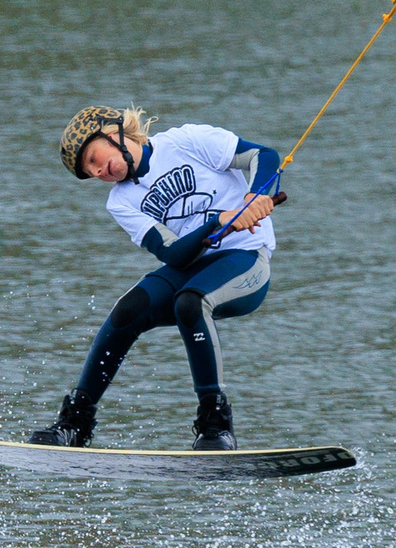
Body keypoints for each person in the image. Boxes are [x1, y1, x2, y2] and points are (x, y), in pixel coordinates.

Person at [30, 106, 283, 451]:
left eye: (93, 157)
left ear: (112, 131)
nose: (97, 172)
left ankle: (215, 425)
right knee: (128, 310)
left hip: (246, 259)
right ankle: (75, 422)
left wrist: (256, 195)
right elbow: (175, 255)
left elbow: (263, 156)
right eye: (89, 172)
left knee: (190, 302)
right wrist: (216, 222)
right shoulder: (121, 202)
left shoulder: (186, 141)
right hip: (192, 264)